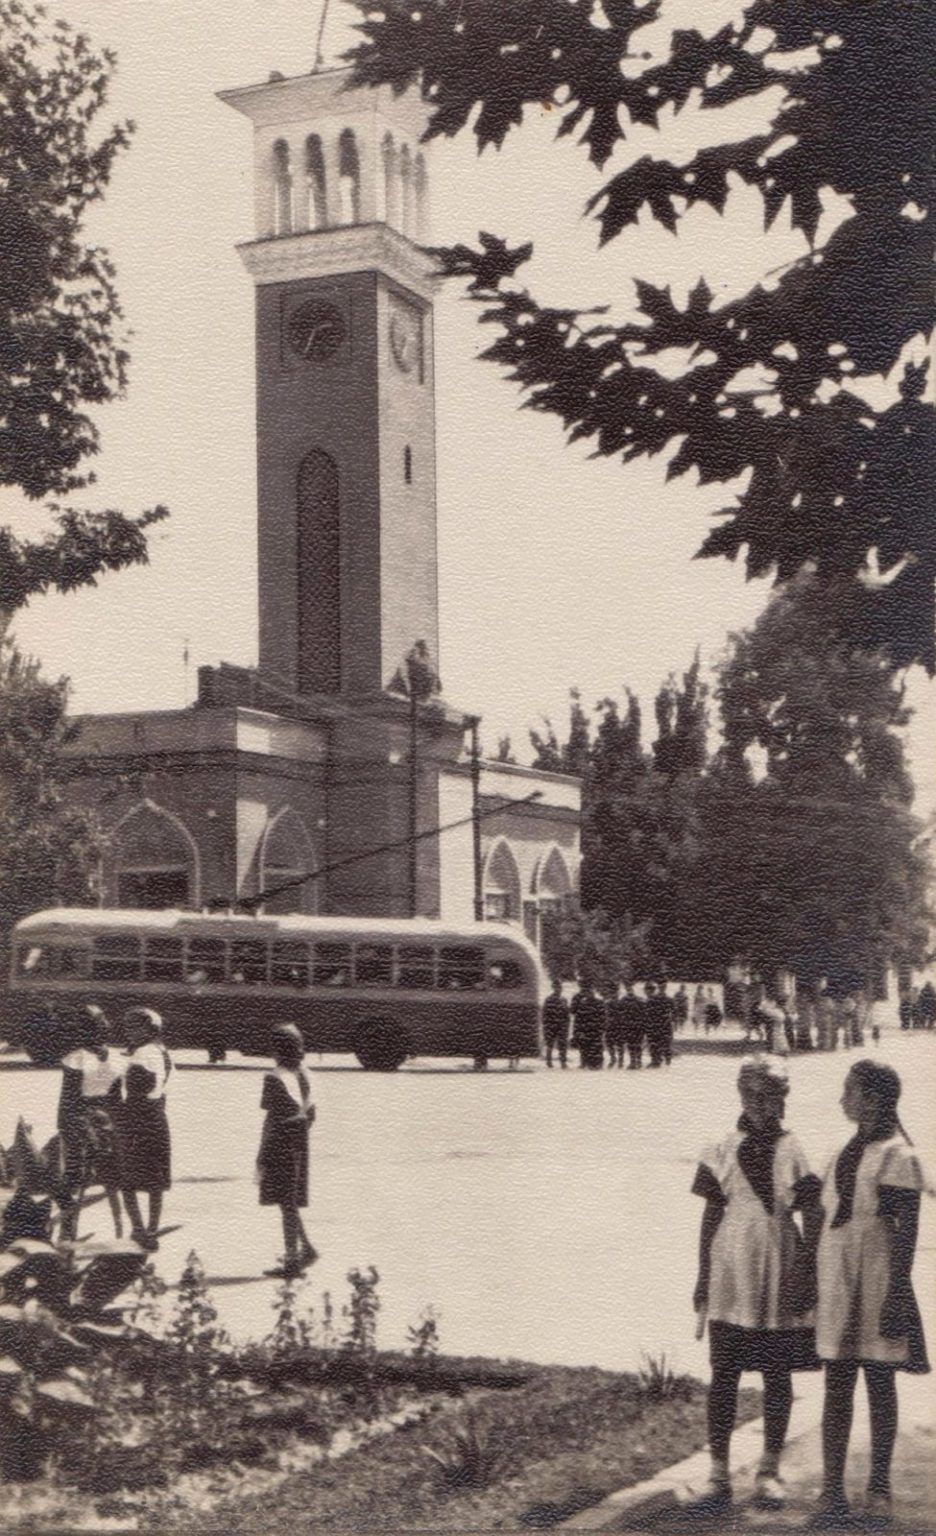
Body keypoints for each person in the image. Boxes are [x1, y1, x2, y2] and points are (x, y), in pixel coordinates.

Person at [687, 1057, 821, 1515]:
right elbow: (710, 1215)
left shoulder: (793, 1149)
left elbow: (814, 1213)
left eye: (771, 1097)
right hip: (731, 1270)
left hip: (776, 1265)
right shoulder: (722, 1147)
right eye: (753, 1097)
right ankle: (718, 1473)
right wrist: (703, 1274)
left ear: (784, 1100)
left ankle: (768, 1469)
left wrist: (806, 1269)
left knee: (775, 1370)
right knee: (724, 1371)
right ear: (740, 1098)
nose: (762, 1106)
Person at [811, 1061, 929, 1528]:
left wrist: (897, 1292)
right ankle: (832, 1487)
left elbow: (906, 1232)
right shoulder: (840, 1149)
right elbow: (823, 1214)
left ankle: (878, 1485)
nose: (843, 1099)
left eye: (850, 1091)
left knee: (880, 1380)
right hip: (838, 1273)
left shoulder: (898, 1155)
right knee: (836, 1381)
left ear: (874, 1101)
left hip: (878, 1274)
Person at [57, 1005, 124, 1240]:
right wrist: (70, 1129)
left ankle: (118, 1232)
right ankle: (68, 1229)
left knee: (105, 1178)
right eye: (98, 1020)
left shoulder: (114, 1057)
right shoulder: (77, 1058)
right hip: (85, 1120)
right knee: (75, 1178)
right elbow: (68, 1100)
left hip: (102, 1121)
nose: (104, 1024)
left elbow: (116, 1098)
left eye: (103, 1019)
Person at [257, 1022, 318, 1279]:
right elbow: (312, 1113)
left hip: (280, 1140)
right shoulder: (306, 1073)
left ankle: (292, 1259)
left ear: (277, 1050)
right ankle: (306, 1247)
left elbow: (271, 1118)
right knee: (289, 1199)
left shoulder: (274, 1077)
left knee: (286, 1201)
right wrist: (299, 1133)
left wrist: (262, 1152)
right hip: (300, 1139)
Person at [116, 1008, 173, 1252]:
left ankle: (138, 1229)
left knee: (127, 1179)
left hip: (136, 1119)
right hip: (158, 1117)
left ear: (149, 1029)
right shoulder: (164, 1052)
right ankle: (152, 1228)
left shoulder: (140, 1055)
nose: (129, 1032)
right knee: (155, 1180)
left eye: (134, 1028)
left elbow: (135, 1091)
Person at [570, 981, 606, 1070]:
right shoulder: (582, 1003)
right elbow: (578, 1017)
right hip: (586, 1029)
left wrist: (602, 1027)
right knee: (585, 1046)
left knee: (596, 1047)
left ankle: (597, 1063)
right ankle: (585, 1062)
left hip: (595, 1029)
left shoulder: (599, 1003)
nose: (588, 993)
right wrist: (577, 1031)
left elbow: (603, 1016)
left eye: (590, 991)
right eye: (587, 991)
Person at [644, 982, 674, 1067]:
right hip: (663, 1024)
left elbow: (648, 1012)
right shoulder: (668, 999)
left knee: (655, 1042)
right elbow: (674, 1013)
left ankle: (657, 1060)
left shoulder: (653, 999)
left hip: (656, 1024)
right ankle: (664, 1058)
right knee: (663, 1042)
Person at [541, 983, 571, 1069]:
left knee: (562, 1044)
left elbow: (567, 1013)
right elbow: (545, 1013)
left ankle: (563, 1062)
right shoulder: (549, 999)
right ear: (553, 988)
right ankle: (549, 1061)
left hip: (562, 1025)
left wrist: (566, 1024)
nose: (559, 989)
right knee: (550, 1044)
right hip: (551, 1025)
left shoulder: (564, 1000)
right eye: (557, 988)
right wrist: (546, 1025)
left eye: (560, 988)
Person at [620, 983, 645, 1069]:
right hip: (630, 1026)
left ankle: (637, 1061)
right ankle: (634, 1061)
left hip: (635, 1026)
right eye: (627, 988)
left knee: (636, 1044)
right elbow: (621, 1014)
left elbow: (643, 1013)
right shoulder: (624, 1000)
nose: (629, 989)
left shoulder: (637, 1000)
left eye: (629, 987)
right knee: (632, 1044)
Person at [604, 984, 627, 1069]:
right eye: (611, 993)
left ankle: (621, 1060)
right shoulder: (607, 1003)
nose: (613, 994)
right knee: (609, 1043)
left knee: (620, 1044)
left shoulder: (621, 1003)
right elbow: (605, 1015)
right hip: (610, 1025)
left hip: (619, 1025)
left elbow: (624, 1015)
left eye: (615, 993)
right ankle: (613, 1058)